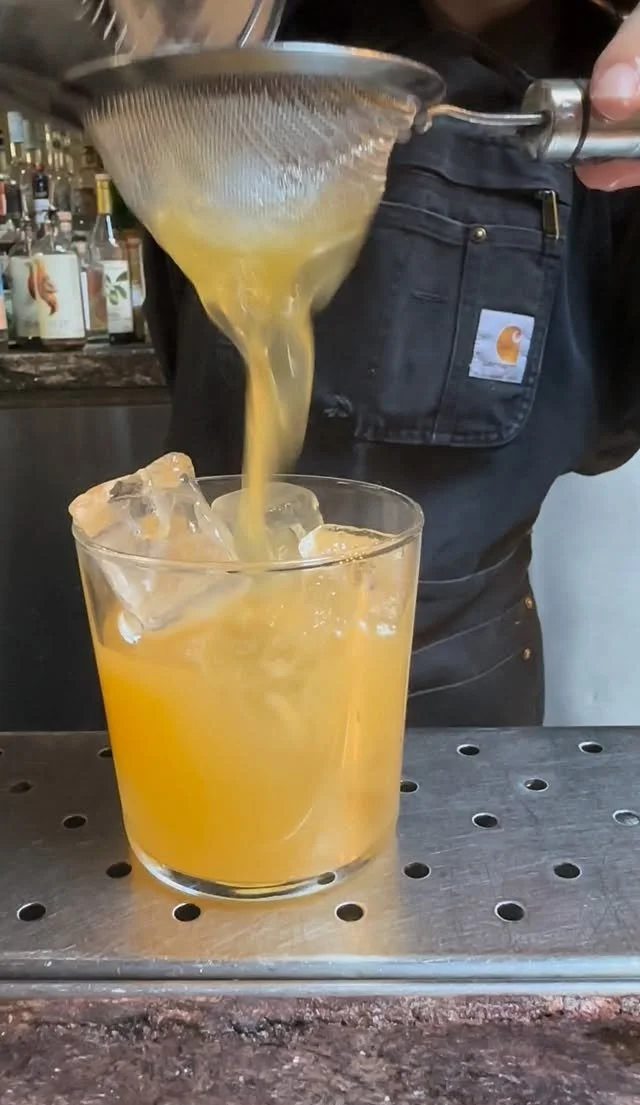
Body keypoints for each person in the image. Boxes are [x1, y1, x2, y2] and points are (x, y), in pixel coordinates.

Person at [143, 0, 640, 728]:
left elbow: (612, 429)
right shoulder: (236, 35)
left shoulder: (608, 92)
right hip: (201, 654)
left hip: (458, 688)